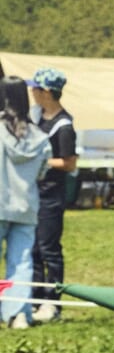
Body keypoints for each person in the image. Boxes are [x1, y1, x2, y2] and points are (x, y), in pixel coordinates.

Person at [28, 68, 76, 325]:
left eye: (35, 88)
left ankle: (53, 302)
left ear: (46, 92)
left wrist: (40, 161)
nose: (32, 92)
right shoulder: (38, 118)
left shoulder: (63, 126)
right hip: (35, 193)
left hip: (51, 195)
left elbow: (69, 163)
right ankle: (35, 298)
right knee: (34, 248)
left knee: (49, 249)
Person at [0, 80, 48, 328]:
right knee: (21, 262)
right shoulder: (40, 136)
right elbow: (41, 173)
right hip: (26, 206)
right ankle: (18, 314)